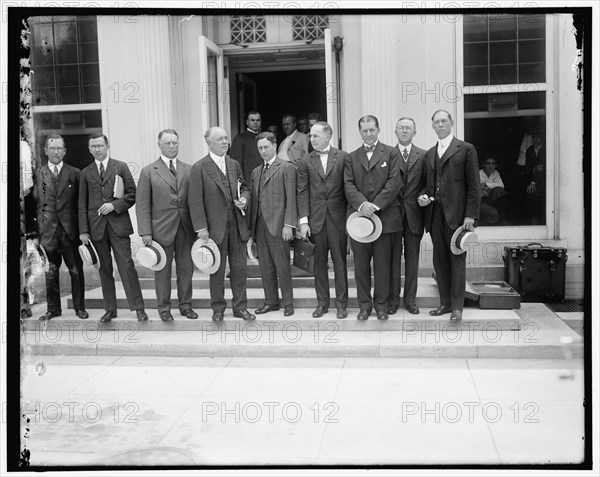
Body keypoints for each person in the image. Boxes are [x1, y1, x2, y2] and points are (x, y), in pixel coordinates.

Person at [418, 110, 480, 322]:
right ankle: (444, 303)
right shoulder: (429, 154)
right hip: (435, 215)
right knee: (440, 260)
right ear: (433, 126)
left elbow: (474, 186)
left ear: (451, 123)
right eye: (437, 122)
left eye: (444, 121)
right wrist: (422, 198)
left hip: (457, 217)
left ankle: (457, 308)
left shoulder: (466, 149)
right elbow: (425, 186)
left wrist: (470, 216)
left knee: (457, 261)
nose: (441, 125)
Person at [188, 127, 255, 322]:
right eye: (220, 139)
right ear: (208, 142)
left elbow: (244, 186)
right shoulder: (199, 167)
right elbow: (195, 200)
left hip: (237, 225)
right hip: (213, 229)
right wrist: (201, 228)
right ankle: (218, 309)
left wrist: (244, 197)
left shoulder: (234, 164)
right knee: (216, 270)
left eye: (226, 138)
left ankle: (240, 307)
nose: (225, 142)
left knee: (239, 269)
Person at [78, 133, 147, 323]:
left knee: (126, 266)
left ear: (107, 146)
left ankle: (138, 307)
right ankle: (110, 309)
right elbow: (81, 204)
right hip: (96, 228)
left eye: (100, 145)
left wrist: (114, 206)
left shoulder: (120, 166)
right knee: (104, 269)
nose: (97, 149)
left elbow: (132, 194)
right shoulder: (85, 173)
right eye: (93, 146)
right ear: (89, 148)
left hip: (118, 225)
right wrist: (83, 231)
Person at [344, 115, 402, 321]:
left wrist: (375, 205)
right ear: (359, 132)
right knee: (360, 266)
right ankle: (364, 306)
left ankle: (381, 306)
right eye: (364, 130)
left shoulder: (392, 153)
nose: (368, 134)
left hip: (384, 220)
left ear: (378, 130)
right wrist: (362, 205)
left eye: (372, 130)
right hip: (359, 221)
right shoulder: (351, 157)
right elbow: (348, 185)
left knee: (382, 266)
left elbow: (395, 182)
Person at [136, 129, 197, 322]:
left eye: (175, 143)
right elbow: (143, 205)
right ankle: (164, 308)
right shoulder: (149, 171)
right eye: (168, 143)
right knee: (162, 271)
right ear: (159, 145)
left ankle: (186, 305)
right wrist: (145, 232)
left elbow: (195, 201)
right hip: (160, 230)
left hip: (185, 228)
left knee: (186, 269)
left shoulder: (189, 169)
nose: (172, 147)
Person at [297, 121, 349, 319]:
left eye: (315, 136)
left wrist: (350, 219)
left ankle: (341, 304)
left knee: (340, 263)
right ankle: (322, 303)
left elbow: (348, 188)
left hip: (338, 219)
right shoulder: (305, 161)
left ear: (328, 136)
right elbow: (301, 192)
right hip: (316, 220)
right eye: (310, 136)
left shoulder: (343, 157)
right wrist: (303, 222)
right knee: (318, 265)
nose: (312, 139)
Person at [35, 134, 87, 321]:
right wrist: (35, 233)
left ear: (65, 151)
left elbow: (82, 204)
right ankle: (53, 309)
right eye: (52, 148)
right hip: (47, 232)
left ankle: (79, 307)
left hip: (70, 231)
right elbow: (33, 204)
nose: (56, 151)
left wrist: (83, 230)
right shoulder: (38, 174)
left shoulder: (75, 173)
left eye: (59, 148)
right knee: (51, 272)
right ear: (46, 151)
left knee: (75, 270)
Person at [250, 132, 297, 316]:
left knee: (282, 266)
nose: (263, 151)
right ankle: (271, 301)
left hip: (279, 226)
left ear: (274, 145)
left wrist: (289, 225)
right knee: (266, 267)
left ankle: (288, 303)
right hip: (259, 225)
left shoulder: (287, 168)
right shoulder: (255, 172)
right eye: (260, 148)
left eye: (266, 147)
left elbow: (292, 198)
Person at [387, 117, 427, 315]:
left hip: (414, 215)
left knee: (412, 261)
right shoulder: (387, 154)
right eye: (401, 128)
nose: (404, 131)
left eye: (408, 128)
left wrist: (423, 196)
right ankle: (393, 300)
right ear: (395, 131)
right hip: (392, 215)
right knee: (393, 260)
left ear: (414, 132)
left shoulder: (424, 155)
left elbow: (426, 185)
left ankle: (410, 300)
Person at [229, 111, 263, 181]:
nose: (255, 122)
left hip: (264, 180)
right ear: (247, 122)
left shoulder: (263, 138)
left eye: (258, 120)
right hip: (249, 182)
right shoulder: (239, 139)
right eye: (252, 120)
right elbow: (236, 164)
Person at [524, 130, 546, 225]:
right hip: (533, 179)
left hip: (545, 179)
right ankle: (534, 220)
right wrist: (535, 168)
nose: (535, 139)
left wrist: (533, 182)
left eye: (537, 137)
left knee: (539, 194)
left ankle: (542, 221)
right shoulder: (529, 150)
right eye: (533, 137)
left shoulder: (546, 148)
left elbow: (544, 169)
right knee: (531, 194)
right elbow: (527, 169)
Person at [479, 156, 507, 226]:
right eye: (488, 163)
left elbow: (501, 185)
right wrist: (493, 185)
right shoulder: (478, 174)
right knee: (493, 214)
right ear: (483, 165)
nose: (490, 166)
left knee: (501, 192)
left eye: (493, 164)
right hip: (481, 201)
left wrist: (486, 184)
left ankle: (502, 220)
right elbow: (479, 189)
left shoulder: (495, 173)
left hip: (492, 198)